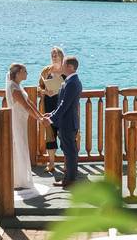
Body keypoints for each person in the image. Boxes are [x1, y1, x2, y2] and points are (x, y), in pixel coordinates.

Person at [43, 56, 82, 187]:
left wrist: (51, 119)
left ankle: (70, 180)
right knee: (68, 150)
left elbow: (64, 105)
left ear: (70, 67)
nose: (62, 67)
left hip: (68, 123)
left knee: (70, 152)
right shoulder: (70, 81)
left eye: (64, 65)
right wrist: (52, 113)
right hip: (66, 121)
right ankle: (70, 177)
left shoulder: (72, 83)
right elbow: (62, 104)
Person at [5, 63, 42, 190]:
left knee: (21, 145)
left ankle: (20, 176)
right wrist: (40, 120)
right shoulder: (14, 88)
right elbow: (25, 106)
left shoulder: (18, 86)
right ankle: (17, 178)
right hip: (16, 120)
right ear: (19, 72)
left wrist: (40, 115)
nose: (27, 73)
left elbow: (30, 102)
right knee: (18, 146)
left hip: (22, 120)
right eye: (25, 71)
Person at [37, 46, 66, 174]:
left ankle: (67, 164)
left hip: (63, 107)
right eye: (52, 54)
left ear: (61, 56)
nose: (54, 56)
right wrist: (45, 91)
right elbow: (39, 88)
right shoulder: (46, 71)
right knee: (50, 135)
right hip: (48, 105)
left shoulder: (66, 71)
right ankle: (51, 163)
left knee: (65, 135)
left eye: (56, 54)